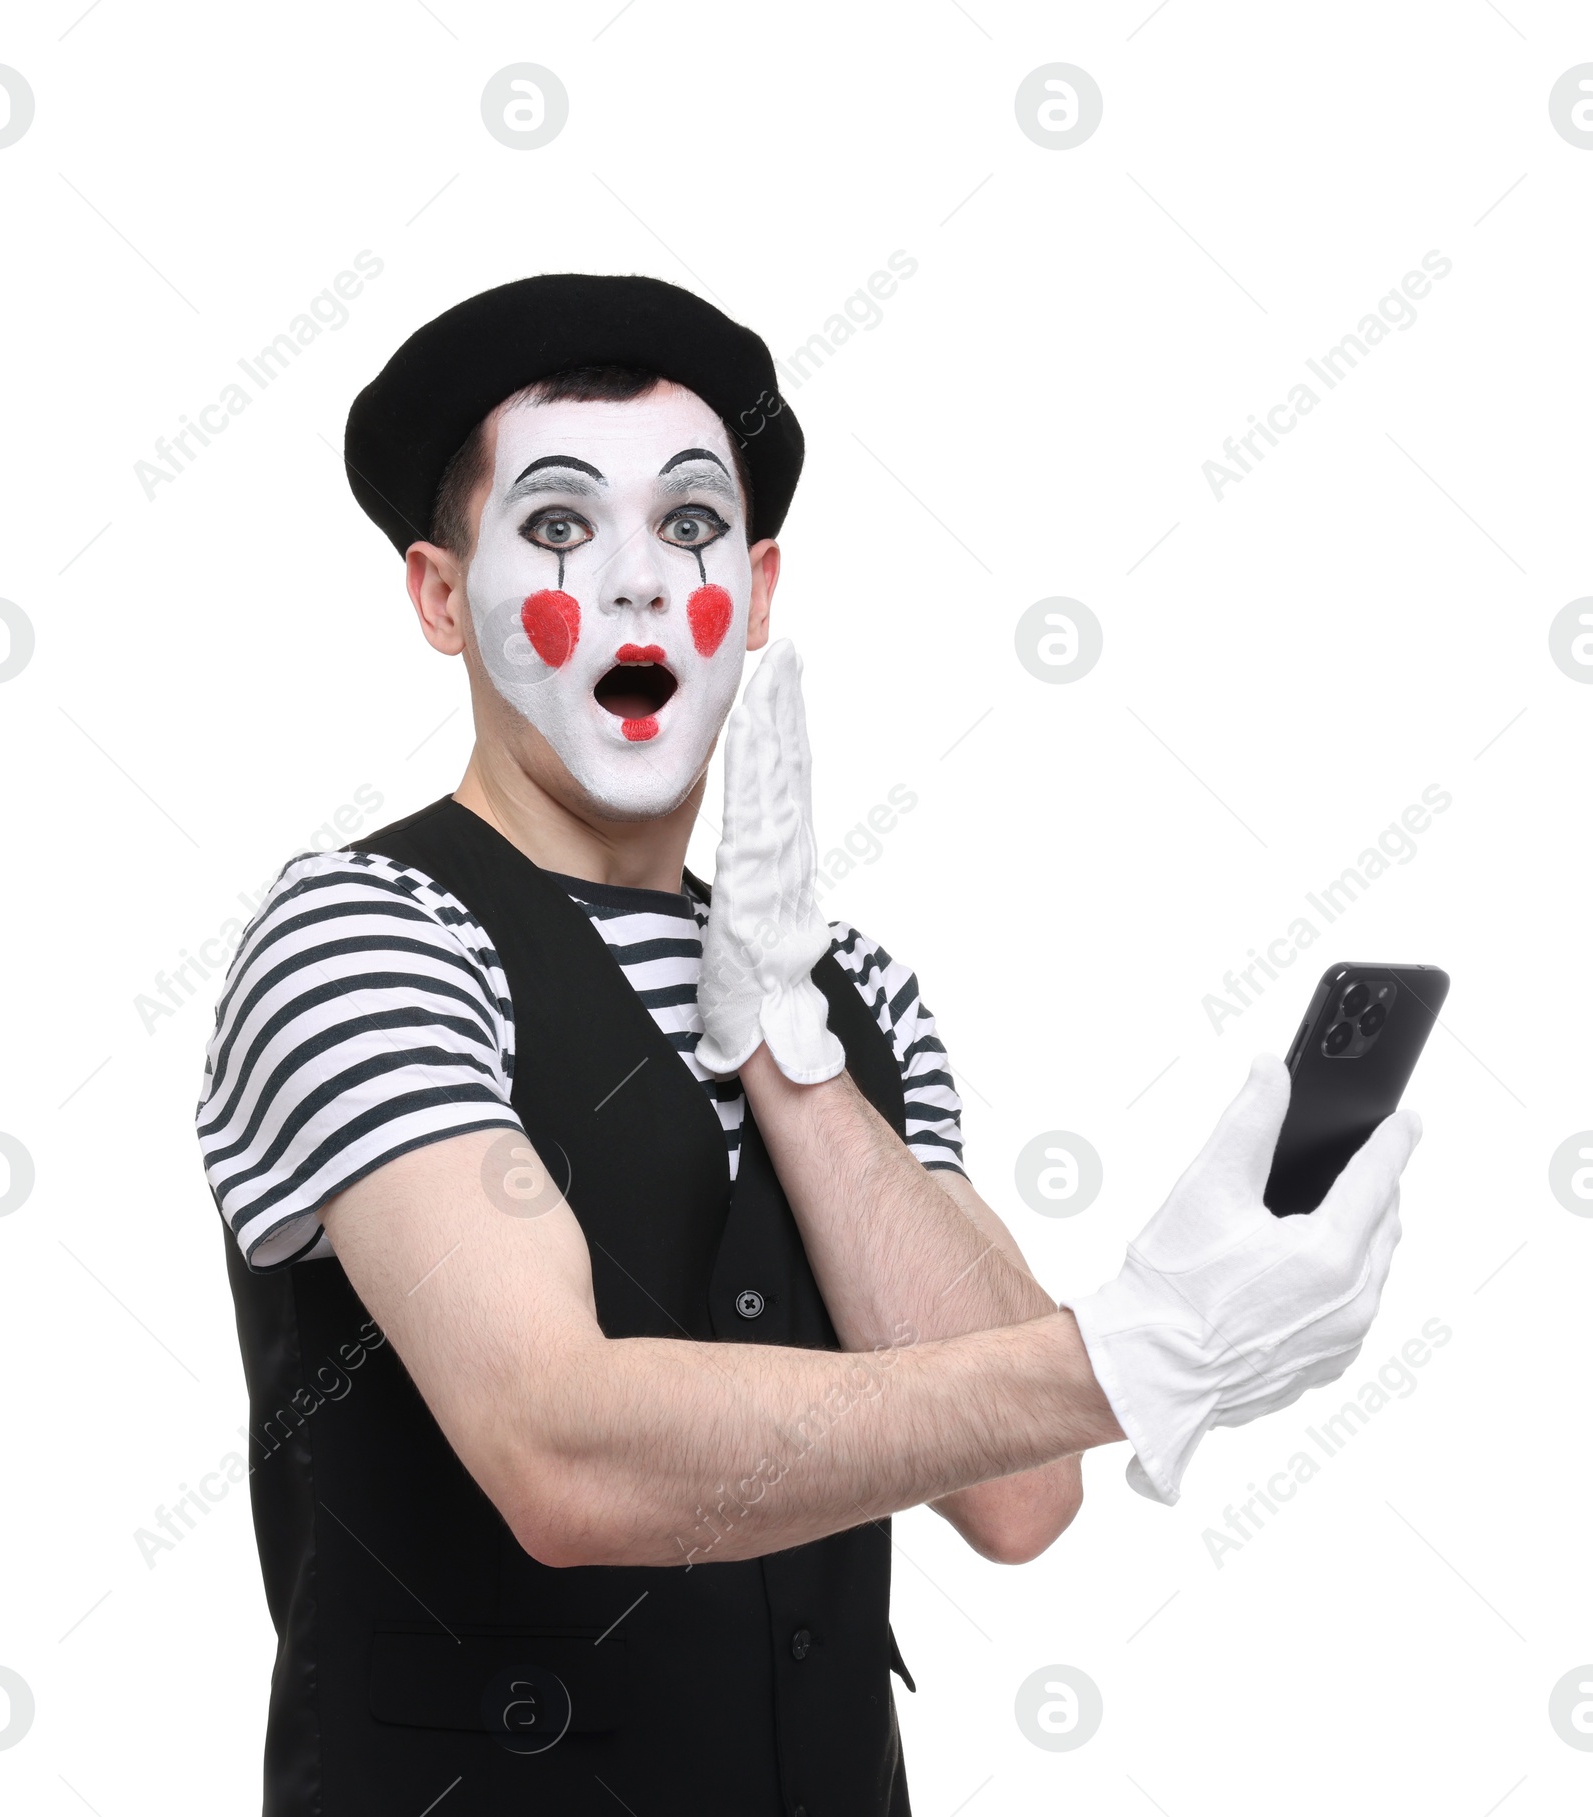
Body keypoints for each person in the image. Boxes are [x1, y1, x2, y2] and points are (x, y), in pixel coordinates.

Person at [195, 274, 1421, 1816]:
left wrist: (789, 1051)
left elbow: (1018, 1487)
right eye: (562, 527)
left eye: (692, 526)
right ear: (442, 597)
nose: (640, 584)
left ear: (759, 592)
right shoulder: (362, 935)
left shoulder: (857, 994)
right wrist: (1127, 1348)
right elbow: (558, 1449)